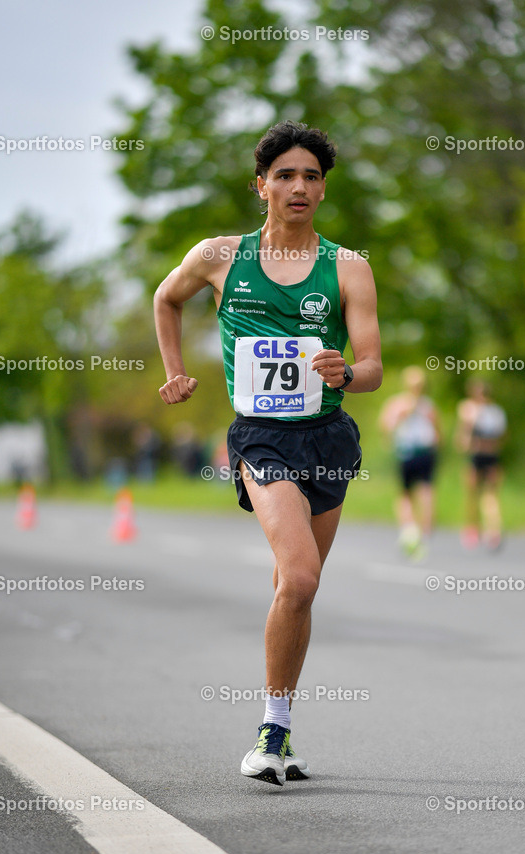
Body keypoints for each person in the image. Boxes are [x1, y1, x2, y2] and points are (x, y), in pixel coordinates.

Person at [154, 121, 382, 786]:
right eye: (284, 175)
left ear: (322, 189)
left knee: (294, 588)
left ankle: (281, 733)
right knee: (302, 577)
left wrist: (345, 372)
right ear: (261, 185)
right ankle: (269, 732)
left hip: (330, 438)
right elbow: (167, 299)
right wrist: (174, 370)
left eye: (311, 176)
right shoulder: (220, 256)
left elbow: (371, 368)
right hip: (260, 438)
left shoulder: (349, 267)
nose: (299, 186)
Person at [379, 366, 440, 558]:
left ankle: (410, 531)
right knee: (426, 491)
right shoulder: (428, 405)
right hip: (426, 451)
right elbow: (438, 433)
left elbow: (386, 426)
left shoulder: (397, 403)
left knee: (405, 494)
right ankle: (425, 535)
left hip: (407, 452)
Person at [455, 380, 507, 550]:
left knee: (483, 495)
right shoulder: (495, 412)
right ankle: (483, 529)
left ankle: (486, 530)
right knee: (479, 495)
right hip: (487, 455)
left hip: (481, 455)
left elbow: (464, 438)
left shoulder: (473, 411)